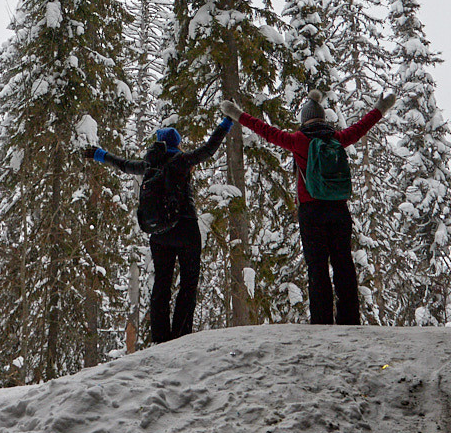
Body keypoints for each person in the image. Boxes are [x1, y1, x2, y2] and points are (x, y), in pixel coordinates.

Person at [222, 89, 395, 326]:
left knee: (317, 267)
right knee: (343, 263)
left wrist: (237, 114)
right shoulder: (336, 138)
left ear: (304, 120)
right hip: (338, 209)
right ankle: (349, 319)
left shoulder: (298, 140)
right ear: (323, 118)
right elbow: (362, 126)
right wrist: (381, 109)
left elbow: (264, 129)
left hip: (311, 212)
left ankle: (322, 321)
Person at [91, 116, 233, 345]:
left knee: (162, 284)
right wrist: (226, 123)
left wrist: (100, 154)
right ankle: (181, 334)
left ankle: (160, 338)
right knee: (188, 282)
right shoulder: (181, 160)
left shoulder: (149, 164)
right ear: (177, 144)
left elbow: (123, 164)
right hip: (185, 227)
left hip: (159, 234)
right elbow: (209, 149)